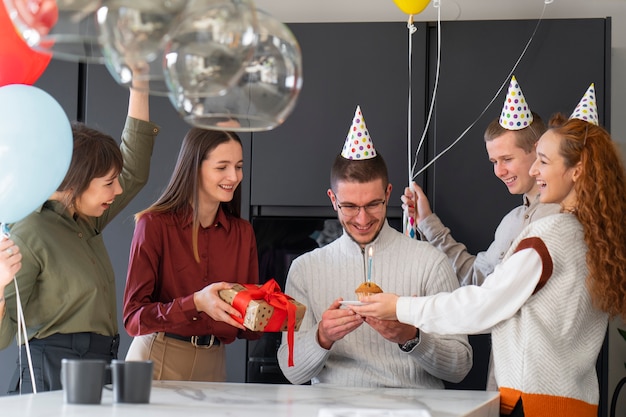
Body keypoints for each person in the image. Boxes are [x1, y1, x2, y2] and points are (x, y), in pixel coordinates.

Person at [352, 85, 626, 417]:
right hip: (573, 404)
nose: (535, 171)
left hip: (533, 404)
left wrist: (399, 306)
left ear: (576, 170)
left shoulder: (548, 236)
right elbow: (484, 281)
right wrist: (427, 223)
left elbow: (483, 305)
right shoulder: (591, 231)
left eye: (542, 160)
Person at [276, 106, 472, 388]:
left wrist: (411, 337)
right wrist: (323, 336)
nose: (363, 218)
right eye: (350, 206)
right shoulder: (305, 269)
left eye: (373, 204)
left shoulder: (430, 263)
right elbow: (292, 372)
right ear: (333, 199)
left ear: (388, 194)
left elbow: (460, 367)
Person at [0, 82, 160, 394]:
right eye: (109, 182)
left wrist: (139, 87)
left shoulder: (84, 218)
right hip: (54, 374)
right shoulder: (30, 232)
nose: (118, 190)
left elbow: (135, 170)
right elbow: (2, 336)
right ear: (76, 183)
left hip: (99, 366)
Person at [122, 128, 261, 382]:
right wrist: (195, 302)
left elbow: (248, 329)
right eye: (222, 167)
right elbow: (133, 319)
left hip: (214, 364)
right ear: (194, 167)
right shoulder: (154, 225)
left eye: (239, 166)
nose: (234, 176)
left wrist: (270, 314)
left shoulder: (243, 233)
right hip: (156, 359)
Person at [404, 76, 559, 287]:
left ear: (537, 148)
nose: (499, 171)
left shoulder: (559, 217)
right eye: (494, 161)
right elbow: (476, 277)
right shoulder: (510, 222)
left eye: (507, 159)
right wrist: (427, 221)